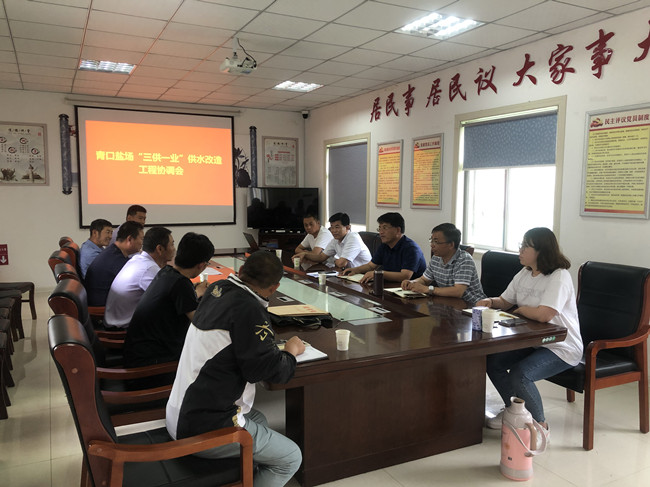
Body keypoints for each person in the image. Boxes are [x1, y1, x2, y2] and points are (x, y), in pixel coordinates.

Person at [166, 251, 304, 487]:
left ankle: (248, 474)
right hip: (201, 429)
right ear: (274, 288)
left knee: (258, 418)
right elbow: (270, 372)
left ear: (240, 272)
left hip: (179, 412)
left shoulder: (216, 289)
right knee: (291, 458)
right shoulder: (248, 309)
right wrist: (291, 352)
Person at [478, 227, 583, 438]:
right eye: (521, 245)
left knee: (521, 374)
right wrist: (490, 301)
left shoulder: (559, 276)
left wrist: (521, 310)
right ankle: (514, 411)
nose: (520, 250)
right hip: (534, 342)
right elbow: (505, 301)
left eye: (526, 246)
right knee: (493, 362)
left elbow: (545, 314)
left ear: (542, 251)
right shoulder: (525, 273)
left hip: (561, 346)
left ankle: (539, 426)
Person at [123, 232, 213, 368]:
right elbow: (201, 322)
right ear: (202, 265)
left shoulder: (166, 272)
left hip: (137, 352)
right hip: (149, 363)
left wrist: (194, 292)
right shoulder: (181, 284)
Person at [104, 226, 175, 328]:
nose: (174, 249)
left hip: (114, 322)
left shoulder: (137, 259)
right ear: (159, 249)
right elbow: (170, 301)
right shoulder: (149, 268)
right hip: (123, 329)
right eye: (172, 244)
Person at [401, 223, 485, 305]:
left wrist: (428, 289)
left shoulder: (464, 259)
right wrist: (412, 282)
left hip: (473, 306)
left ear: (451, 244)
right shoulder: (436, 258)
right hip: (449, 303)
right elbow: (424, 280)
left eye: (436, 242)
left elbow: (458, 291)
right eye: (431, 240)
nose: (432, 245)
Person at [341, 212, 427, 283]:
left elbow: (405, 276)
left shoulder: (411, 249)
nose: (381, 232)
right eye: (379, 228)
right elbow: (371, 266)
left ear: (398, 230)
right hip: (390, 286)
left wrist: (378, 274)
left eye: (385, 228)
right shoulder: (385, 245)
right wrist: (355, 270)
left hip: (410, 291)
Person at [84, 221, 144, 306]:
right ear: (129, 239)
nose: (142, 243)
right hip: (102, 307)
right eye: (141, 239)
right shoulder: (116, 260)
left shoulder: (112, 251)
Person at [307, 212, 371, 269]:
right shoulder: (335, 239)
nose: (333, 231)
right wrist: (305, 254)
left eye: (337, 227)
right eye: (332, 227)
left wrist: (335, 260)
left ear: (348, 227)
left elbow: (341, 264)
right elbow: (321, 257)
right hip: (349, 273)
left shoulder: (353, 238)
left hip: (363, 274)